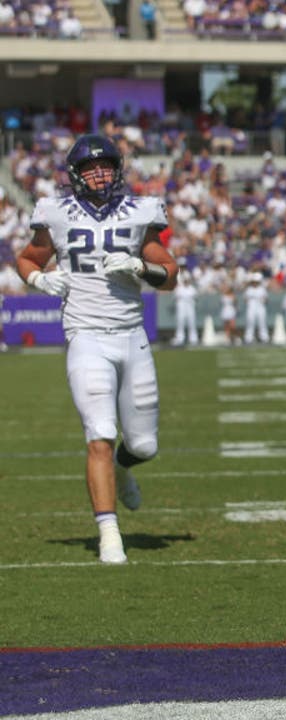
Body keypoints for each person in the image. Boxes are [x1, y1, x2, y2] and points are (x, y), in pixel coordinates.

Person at [15, 133, 178, 564]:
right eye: (90, 168)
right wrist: (39, 280)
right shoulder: (57, 213)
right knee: (100, 435)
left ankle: (125, 469)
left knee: (143, 445)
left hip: (132, 336)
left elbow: (171, 273)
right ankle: (109, 535)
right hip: (85, 336)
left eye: (105, 166)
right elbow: (27, 258)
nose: (99, 174)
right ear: (75, 175)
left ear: (118, 170)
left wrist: (141, 267)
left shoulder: (140, 210)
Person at [171, 272, 198, 345]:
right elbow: (175, 298)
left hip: (190, 307)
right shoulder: (179, 288)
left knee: (191, 322)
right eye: (185, 279)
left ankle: (193, 338)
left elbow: (196, 298)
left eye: (187, 279)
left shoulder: (192, 289)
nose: (186, 281)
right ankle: (180, 338)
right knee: (180, 322)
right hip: (181, 307)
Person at [242, 273, 270, 343]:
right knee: (250, 322)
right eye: (254, 282)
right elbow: (245, 298)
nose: (255, 283)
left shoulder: (262, 289)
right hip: (251, 307)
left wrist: (263, 300)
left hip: (260, 307)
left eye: (256, 282)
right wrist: (248, 301)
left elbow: (266, 298)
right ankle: (248, 337)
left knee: (262, 322)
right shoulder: (249, 289)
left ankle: (264, 337)